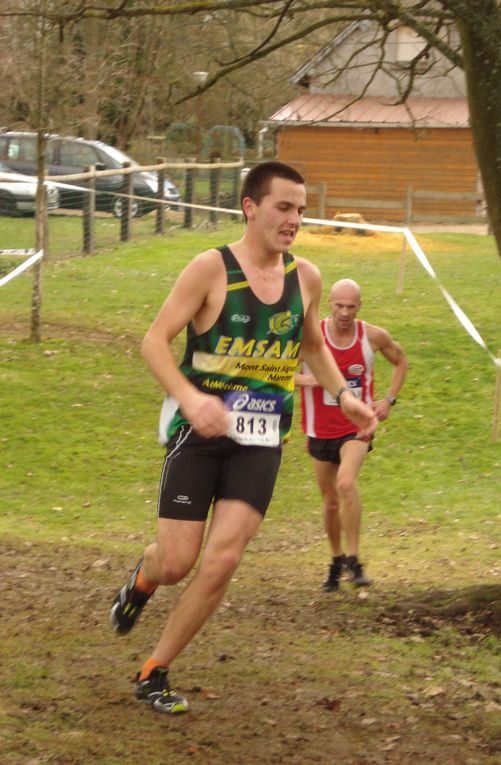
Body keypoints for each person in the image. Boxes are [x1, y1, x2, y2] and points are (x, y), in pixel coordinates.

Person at [108, 162, 378, 714]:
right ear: (251, 208)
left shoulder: (307, 278)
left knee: (224, 559)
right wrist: (191, 397)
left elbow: (310, 347)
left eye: (301, 209)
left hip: (261, 438)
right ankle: (142, 579)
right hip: (199, 433)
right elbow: (154, 342)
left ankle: (153, 670)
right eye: (284, 207)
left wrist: (343, 395)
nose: (295, 219)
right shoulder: (210, 269)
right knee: (178, 561)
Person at [296, 278, 407, 592]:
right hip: (320, 427)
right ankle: (335, 561)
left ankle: (355, 561)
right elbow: (277, 371)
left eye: (351, 306)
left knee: (346, 482)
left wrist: (388, 399)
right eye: (339, 305)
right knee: (330, 502)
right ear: (329, 303)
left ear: (359, 306)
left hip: (357, 428)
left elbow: (401, 360)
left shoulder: (372, 336)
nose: (344, 312)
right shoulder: (311, 337)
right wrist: (312, 381)